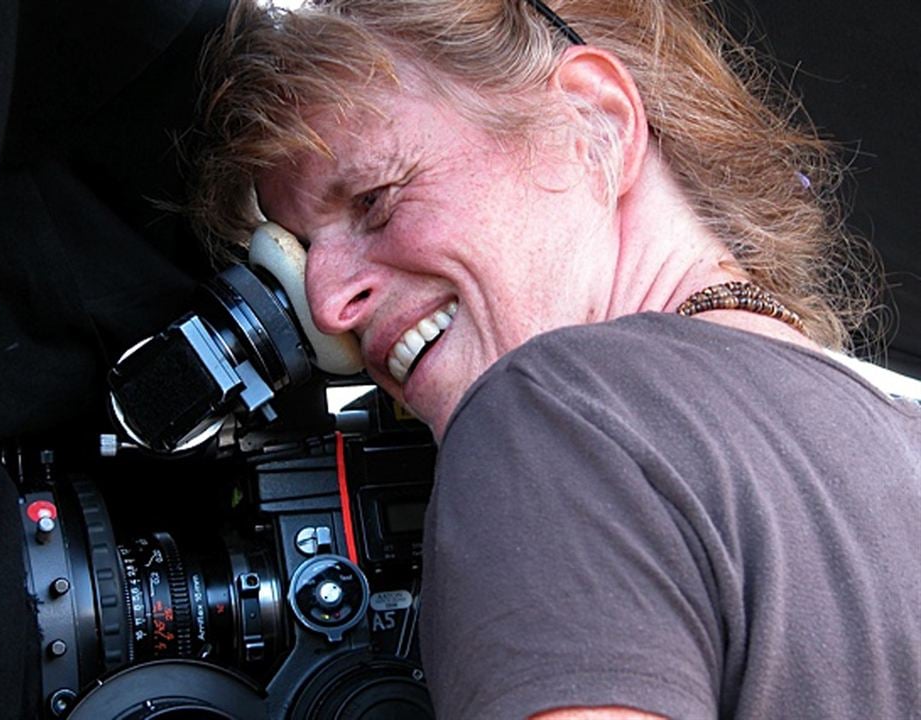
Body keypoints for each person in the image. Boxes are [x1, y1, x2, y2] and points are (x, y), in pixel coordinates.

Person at [186, 1, 921, 718]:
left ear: (593, 125)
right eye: (303, 252)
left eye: (376, 200)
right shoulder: (903, 439)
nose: (325, 306)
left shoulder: (550, 413)